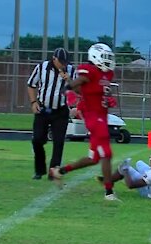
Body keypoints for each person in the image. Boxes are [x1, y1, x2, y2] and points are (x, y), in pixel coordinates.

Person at [49, 43, 119, 201]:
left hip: (101, 115)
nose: (108, 61)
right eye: (105, 57)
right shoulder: (90, 70)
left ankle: (59, 171)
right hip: (93, 117)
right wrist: (68, 87)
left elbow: (98, 90)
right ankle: (109, 192)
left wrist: (107, 100)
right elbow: (78, 82)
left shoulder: (107, 74)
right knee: (106, 154)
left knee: (93, 159)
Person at [27, 48, 76, 180]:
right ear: (54, 59)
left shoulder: (71, 70)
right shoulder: (42, 67)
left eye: (65, 62)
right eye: (61, 62)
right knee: (37, 140)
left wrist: (69, 81)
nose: (64, 65)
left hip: (60, 110)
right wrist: (33, 102)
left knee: (58, 142)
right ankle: (39, 170)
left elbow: (77, 90)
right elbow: (31, 85)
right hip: (43, 109)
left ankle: (53, 172)